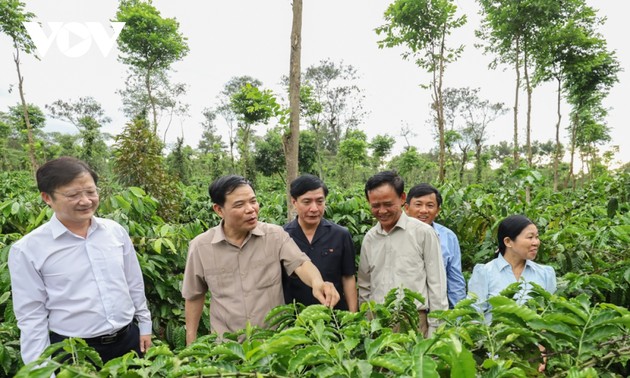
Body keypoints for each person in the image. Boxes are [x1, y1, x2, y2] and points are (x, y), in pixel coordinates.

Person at [8, 157, 152, 365]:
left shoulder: (115, 232)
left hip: (128, 340)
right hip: (74, 352)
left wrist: (144, 326)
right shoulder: (28, 250)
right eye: (73, 195)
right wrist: (40, 370)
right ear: (47, 197)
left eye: (91, 192)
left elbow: (133, 283)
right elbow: (31, 316)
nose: (85, 201)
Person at [181, 175, 340, 344]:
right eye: (239, 204)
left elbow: (300, 263)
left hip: (274, 344)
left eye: (253, 201)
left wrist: (317, 282)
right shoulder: (201, 247)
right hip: (228, 347)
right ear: (219, 210)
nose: (250, 209)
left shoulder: (275, 235)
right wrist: (190, 341)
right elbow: (194, 295)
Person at [358, 171, 448, 337]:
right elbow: (365, 285)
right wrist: (366, 321)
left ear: (402, 198)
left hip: (413, 321)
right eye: (375, 205)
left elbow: (437, 285)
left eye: (388, 204)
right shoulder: (370, 238)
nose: (382, 211)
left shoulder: (424, 233)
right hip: (378, 322)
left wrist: (436, 329)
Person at [283, 175, 358, 312]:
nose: (314, 208)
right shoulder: (283, 236)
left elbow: (348, 277)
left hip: (334, 316)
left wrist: (353, 316)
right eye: (307, 202)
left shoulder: (341, 235)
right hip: (296, 319)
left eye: (319, 201)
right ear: (294, 202)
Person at [468, 214, 557, 323]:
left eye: (537, 237)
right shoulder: (485, 273)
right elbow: (473, 315)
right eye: (530, 237)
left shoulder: (545, 274)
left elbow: (550, 313)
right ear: (508, 242)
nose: (536, 242)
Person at [405, 183, 466, 308]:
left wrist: (459, 315)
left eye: (430, 206)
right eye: (418, 204)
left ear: (438, 210)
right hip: (405, 311)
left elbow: (454, 280)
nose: (423, 210)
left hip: (438, 310)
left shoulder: (448, 237)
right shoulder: (396, 235)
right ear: (407, 208)